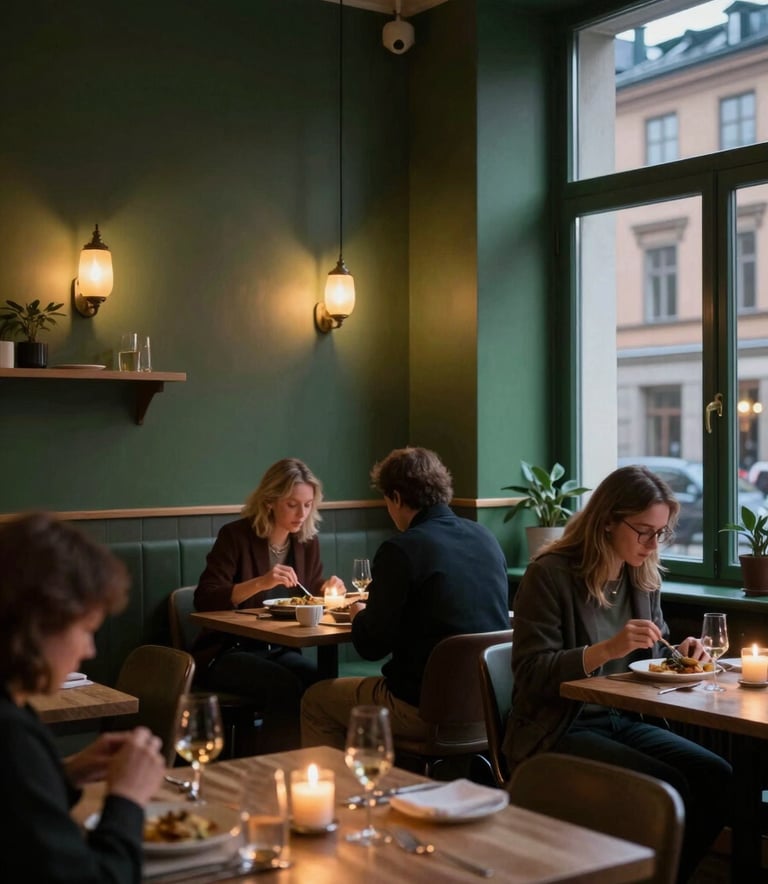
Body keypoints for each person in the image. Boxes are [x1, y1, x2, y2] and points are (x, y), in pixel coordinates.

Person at [504, 464, 732, 884]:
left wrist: (680, 653)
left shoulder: (641, 575)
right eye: (643, 530)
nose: (652, 543)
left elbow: (654, 644)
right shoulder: (550, 575)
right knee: (668, 787)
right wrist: (605, 650)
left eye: (660, 532)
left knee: (717, 776)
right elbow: (531, 673)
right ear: (607, 520)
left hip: (625, 717)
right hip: (560, 727)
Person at [301, 446, 511, 749]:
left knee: (315, 701)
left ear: (396, 497)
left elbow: (372, 646)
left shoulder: (402, 549)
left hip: (423, 711)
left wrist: (359, 613)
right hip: (490, 712)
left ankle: (343, 794)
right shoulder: (485, 538)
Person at [0, 512, 166, 884]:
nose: (89, 650)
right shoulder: (10, 734)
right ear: (39, 624)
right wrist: (127, 799)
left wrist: (64, 776)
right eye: (86, 629)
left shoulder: (13, 708)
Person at [193, 457, 345, 751]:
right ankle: (273, 767)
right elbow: (205, 598)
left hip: (277, 648)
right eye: (292, 504)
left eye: (308, 504)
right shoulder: (235, 536)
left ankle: (316, 765)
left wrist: (327, 588)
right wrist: (262, 582)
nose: (301, 513)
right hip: (226, 652)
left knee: (321, 684)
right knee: (284, 687)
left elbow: (309, 589)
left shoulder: (306, 541)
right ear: (270, 501)